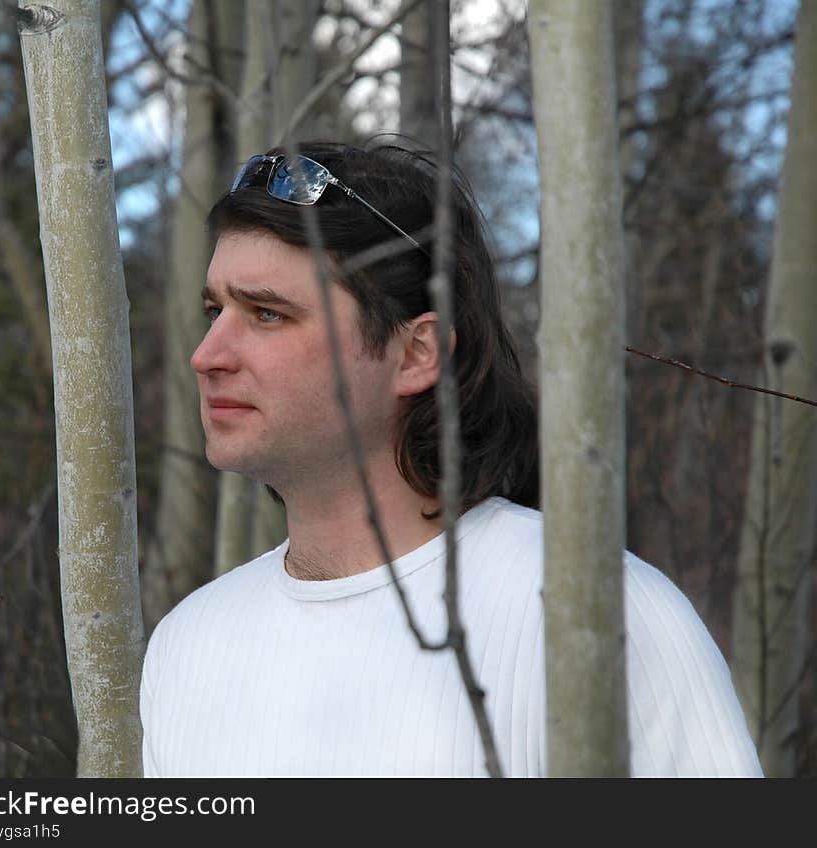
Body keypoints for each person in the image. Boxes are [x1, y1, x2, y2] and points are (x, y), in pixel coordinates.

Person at [140, 141, 762, 777]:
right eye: (216, 311)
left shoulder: (603, 618)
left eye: (268, 313)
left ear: (417, 353)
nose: (207, 354)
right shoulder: (188, 645)